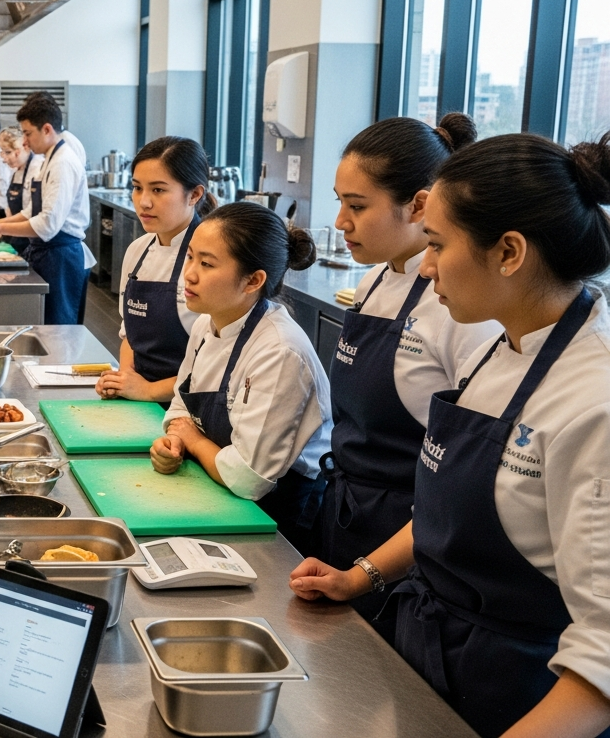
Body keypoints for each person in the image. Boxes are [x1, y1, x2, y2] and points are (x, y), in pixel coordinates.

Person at [289, 133, 610, 738]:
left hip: (511, 694)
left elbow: (603, 660)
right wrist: (358, 578)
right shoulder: (501, 349)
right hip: (426, 657)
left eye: (436, 243)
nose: (425, 265)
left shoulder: (593, 402)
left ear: (509, 252)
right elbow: (447, 516)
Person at [313, 113, 499, 638]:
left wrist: (369, 572)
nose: (341, 221)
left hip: (406, 539)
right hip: (347, 513)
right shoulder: (373, 280)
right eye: (339, 201)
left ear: (418, 204)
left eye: (357, 205)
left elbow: (462, 477)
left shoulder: (464, 311)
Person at [150, 202, 330, 554]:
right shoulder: (207, 322)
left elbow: (247, 478)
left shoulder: (279, 351)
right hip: (218, 495)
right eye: (190, 257)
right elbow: (179, 405)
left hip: (277, 517)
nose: (189, 274)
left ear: (254, 280)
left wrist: (194, 441)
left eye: (207, 263)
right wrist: (175, 440)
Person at [96, 136, 213, 403]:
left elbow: (216, 367)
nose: (144, 202)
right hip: (139, 403)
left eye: (158, 190)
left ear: (194, 194)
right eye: (137, 188)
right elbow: (129, 334)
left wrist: (147, 390)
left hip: (190, 408)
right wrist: (124, 380)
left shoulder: (210, 262)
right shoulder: (137, 250)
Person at [0, 97, 95, 324]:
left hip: (61, 257)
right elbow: (32, 211)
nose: (26, 141)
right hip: (48, 254)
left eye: (28, 133)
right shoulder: (49, 158)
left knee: (59, 330)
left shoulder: (63, 162)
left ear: (47, 129)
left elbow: (47, 225)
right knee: (44, 326)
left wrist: (0, 228)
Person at [0, 125, 43, 254]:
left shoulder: (37, 168)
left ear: (25, 147)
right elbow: (9, 208)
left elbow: (30, 212)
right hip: (17, 238)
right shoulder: (15, 170)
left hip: (33, 240)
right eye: (2, 152)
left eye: (8, 152)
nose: (4, 159)